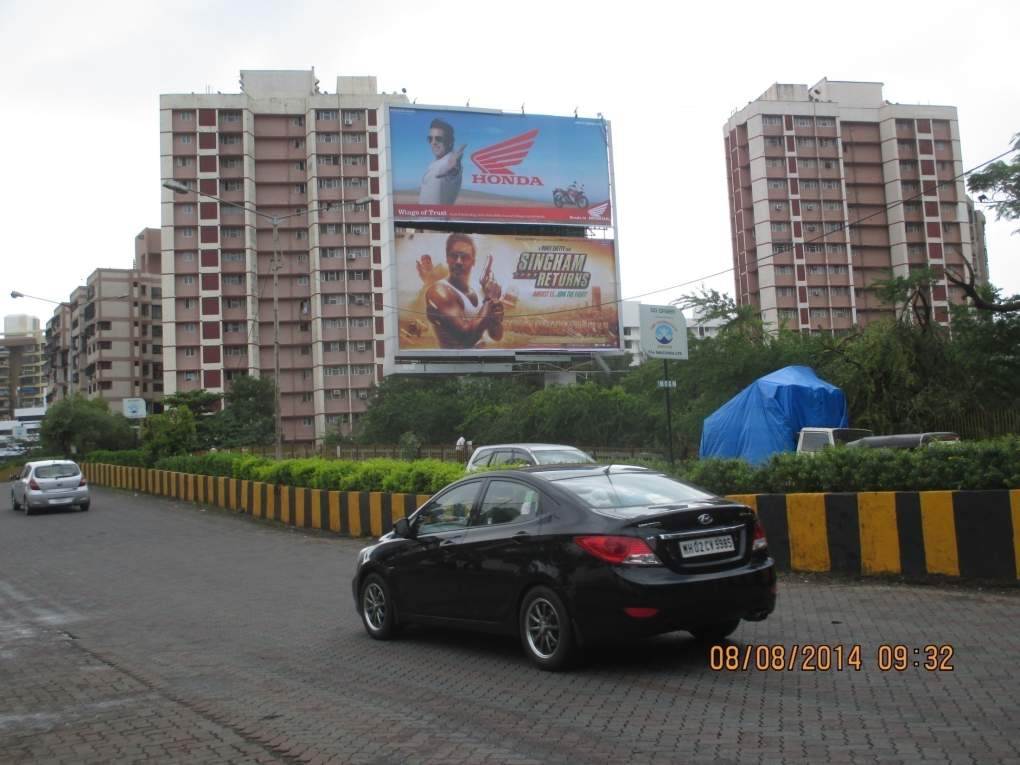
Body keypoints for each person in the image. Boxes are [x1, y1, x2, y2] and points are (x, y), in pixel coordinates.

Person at [419, 233, 504, 349]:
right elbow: (465, 338)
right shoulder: (439, 291)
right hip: (454, 363)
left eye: (465, 257)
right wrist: (489, 299)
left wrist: (496, 309)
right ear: (447, 259)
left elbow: (496, 335)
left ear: (473, 261)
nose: (459, 261)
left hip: (482, 361)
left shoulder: (479, 290)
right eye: (454, 256)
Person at [419, 118, 465, 205]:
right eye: (430, 139)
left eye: (438, 139)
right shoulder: (434, 164)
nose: (433, 142)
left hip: (437, 218)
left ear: (450, 142)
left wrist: (454, 170)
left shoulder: (448, 162)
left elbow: (453, 173)